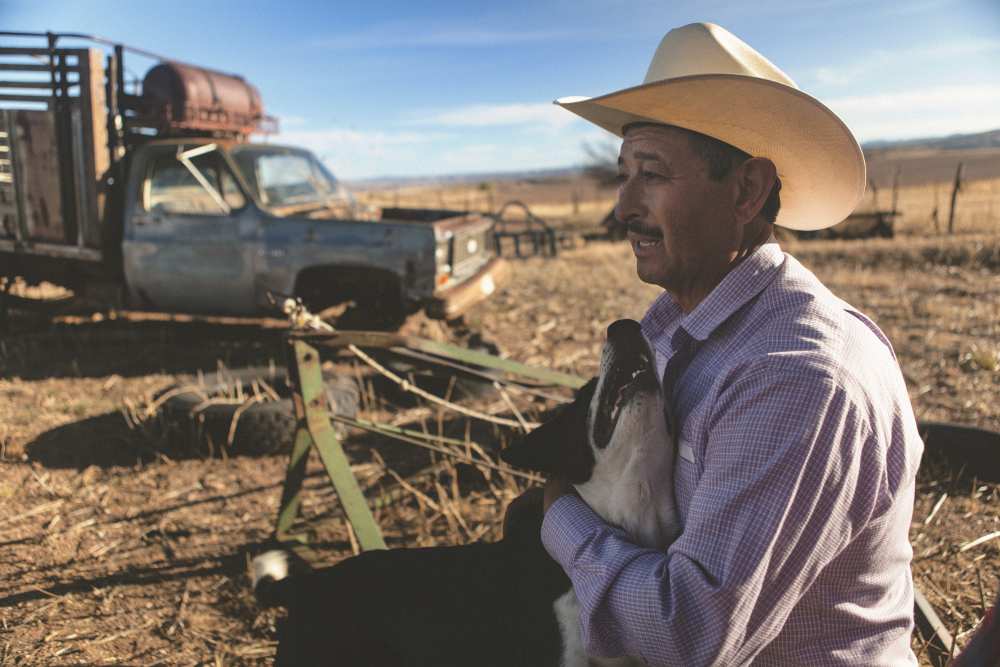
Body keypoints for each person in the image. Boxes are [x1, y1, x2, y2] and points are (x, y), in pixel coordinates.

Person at [538, 22, 924, 665]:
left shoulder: (795, 378)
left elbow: (686, 635)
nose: (624, 206)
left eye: (652, 175)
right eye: (623, 175)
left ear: (745, 190)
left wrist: (559, 519)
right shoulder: (678, 325)